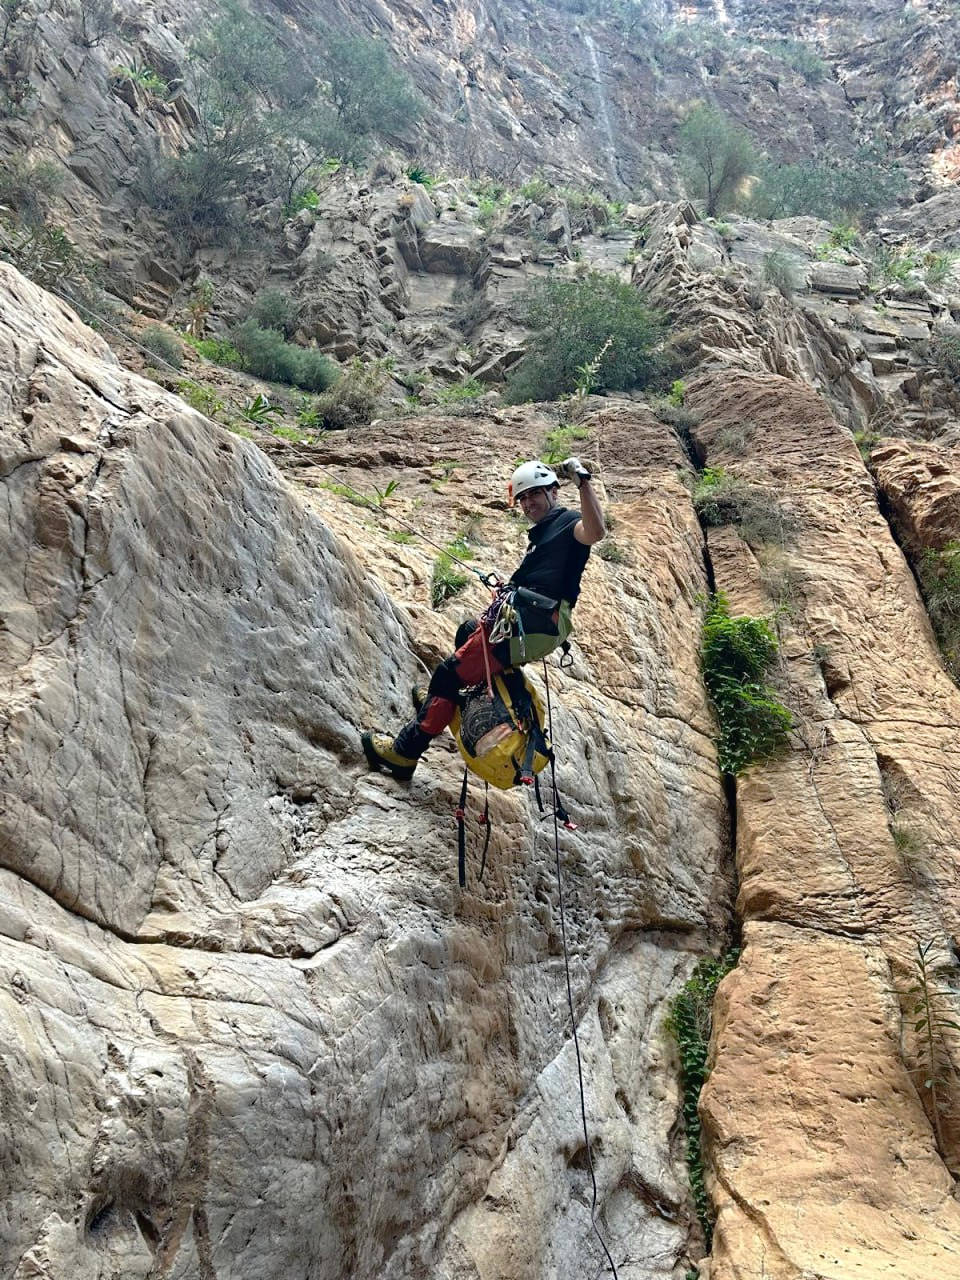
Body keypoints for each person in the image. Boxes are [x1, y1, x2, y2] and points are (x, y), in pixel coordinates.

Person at [362, 456, 605, 780]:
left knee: (448, 675)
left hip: (533, 625)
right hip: (526, 619)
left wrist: (583, 481)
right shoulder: (541, 535)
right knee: (466, 632)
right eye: (523, 497)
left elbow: (596, 531)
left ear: (554, 492)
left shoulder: (568, 523)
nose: (528, 502)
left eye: (535, 493)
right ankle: (444, 704)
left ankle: (405, 753)